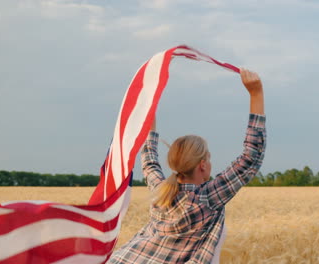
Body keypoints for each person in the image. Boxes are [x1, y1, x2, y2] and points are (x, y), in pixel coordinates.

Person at [108, 68, 266, 264]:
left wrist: (148, 106)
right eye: (209, 158)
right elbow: (251, 157)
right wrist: (256, 93)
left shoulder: (160, 190)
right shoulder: (207, 198)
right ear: (202, 165)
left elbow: (149, 157)